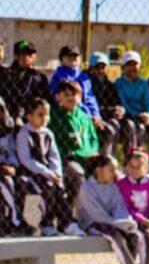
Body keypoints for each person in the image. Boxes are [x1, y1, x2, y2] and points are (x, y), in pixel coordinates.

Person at [77, 154, 149, 264]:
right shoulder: (87, 188)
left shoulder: (113, 187)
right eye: (111, 170)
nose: (115, 174)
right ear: (99, 170)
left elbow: (119, 208)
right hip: (94, 223)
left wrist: (127, 222)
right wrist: (117, 223)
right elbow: (96, 215)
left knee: (136, 235)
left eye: (116, 170)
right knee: (116, 238)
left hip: (113, 223)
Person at [15, 98, 82, 237]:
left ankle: (67, 223)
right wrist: (46, 172)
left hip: (49, 173)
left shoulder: (48, 133)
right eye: (40, 115)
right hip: (32, 173)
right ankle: (47, 223)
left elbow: (54, 155)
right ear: (29, 116)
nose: (45, 118)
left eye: (47, 114)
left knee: (59, 187)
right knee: (48, 187)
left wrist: (56, 172)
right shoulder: (24, 134)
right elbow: (26, 159)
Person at [48, 45, 115, 155]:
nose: (73, 58)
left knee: (108, 131)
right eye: (69, 56)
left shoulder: (83, 76)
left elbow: (90, 98)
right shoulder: (58, 77)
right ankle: (80, 156)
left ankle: (103, 159)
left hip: (88, 115)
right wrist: (88, 116)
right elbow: (67, 101)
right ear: (61, 59)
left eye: (75, 56)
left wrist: (96, 115)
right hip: (69, 115)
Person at [48, 79, 96, 203]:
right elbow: (51, 142)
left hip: (88, 157)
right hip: (66, 159)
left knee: (110, 171)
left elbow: (93, 139)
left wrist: (91, 152)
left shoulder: (84, 116)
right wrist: (67, 153)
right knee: (78, 174)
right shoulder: (53, 116)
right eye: (66, 95)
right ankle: (72, 208)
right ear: (58, 97)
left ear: (80, 97)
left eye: (74, 94)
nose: (70, 98)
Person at [87, 52, 137, 156]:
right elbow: (93, 106)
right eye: (97, 67)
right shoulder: (89, 84)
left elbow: (117, 102)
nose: (100, 70)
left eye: (103, 67)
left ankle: (130, 158)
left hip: (113, 116)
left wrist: (121, 109)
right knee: (112, 126)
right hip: (100, 117)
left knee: (129, 125)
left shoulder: (110, 85)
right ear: (91, 68)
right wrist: (111, 110)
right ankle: (109, 158)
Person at [0, 97, 32, 236]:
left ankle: (11, 219)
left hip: (6, 167)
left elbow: (11, 151)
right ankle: (15, 220)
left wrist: (13, 166)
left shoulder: (7, 130)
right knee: (5, 182)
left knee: (22, 181)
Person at [115, 51, 149, 150]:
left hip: (143, 116)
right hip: (128, 117)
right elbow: (124, 104)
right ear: (123, 67)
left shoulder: (143, 83)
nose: (132, 68)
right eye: (129, 65)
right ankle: (131, 154)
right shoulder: (119, 83)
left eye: (135, 64)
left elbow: (148, 104)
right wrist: (138, 115)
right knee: (133, 126)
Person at [6, 40, 50, 122]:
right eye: (24, 54)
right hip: (11, 117)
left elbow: (45, 98)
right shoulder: (8, 75)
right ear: (16, 56)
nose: (28, 57)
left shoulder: (39, 77)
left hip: (34, 118)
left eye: (31, 54)